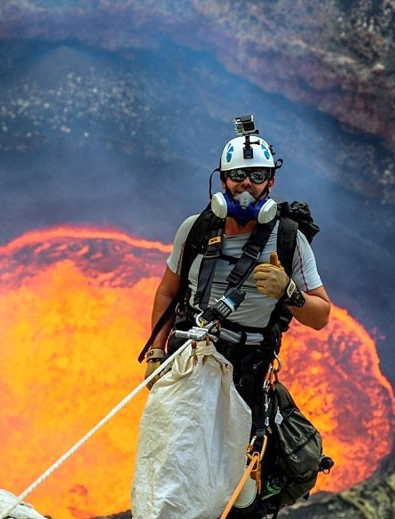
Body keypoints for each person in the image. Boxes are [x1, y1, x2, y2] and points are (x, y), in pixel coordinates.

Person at [142, 118, 331, 518]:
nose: (247, 185)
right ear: (222, 180)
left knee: (239, 477)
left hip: (248, 369)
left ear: (271, 182)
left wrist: (288, 291)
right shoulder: (195, 230)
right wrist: (156, 353)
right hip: (191, 357)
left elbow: (321, 315)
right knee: (174, 455)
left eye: (257, 176)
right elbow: (167, 292)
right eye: (238, 176)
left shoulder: (289, 239)